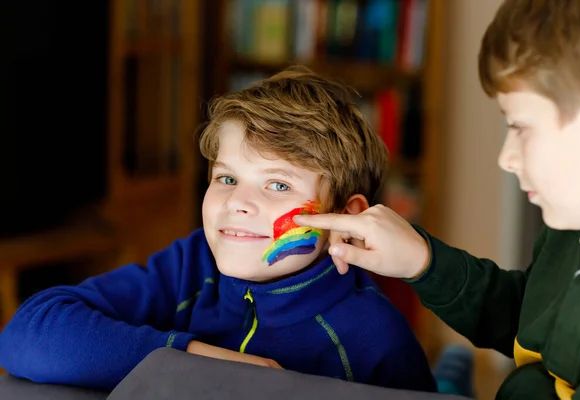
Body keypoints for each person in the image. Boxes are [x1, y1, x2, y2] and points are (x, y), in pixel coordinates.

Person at [0, 67, 438, 393]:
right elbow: (28, 333)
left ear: (347, 219)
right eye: (226, 178)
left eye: (278, 184)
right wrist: (193, 357)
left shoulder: (375, 337)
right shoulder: (191, 266)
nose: (237, 203)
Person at [294, 0, 580, 398]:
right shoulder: (572, 232)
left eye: (521, 127)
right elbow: (527, 318)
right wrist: (423, 261)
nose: (505, 158)